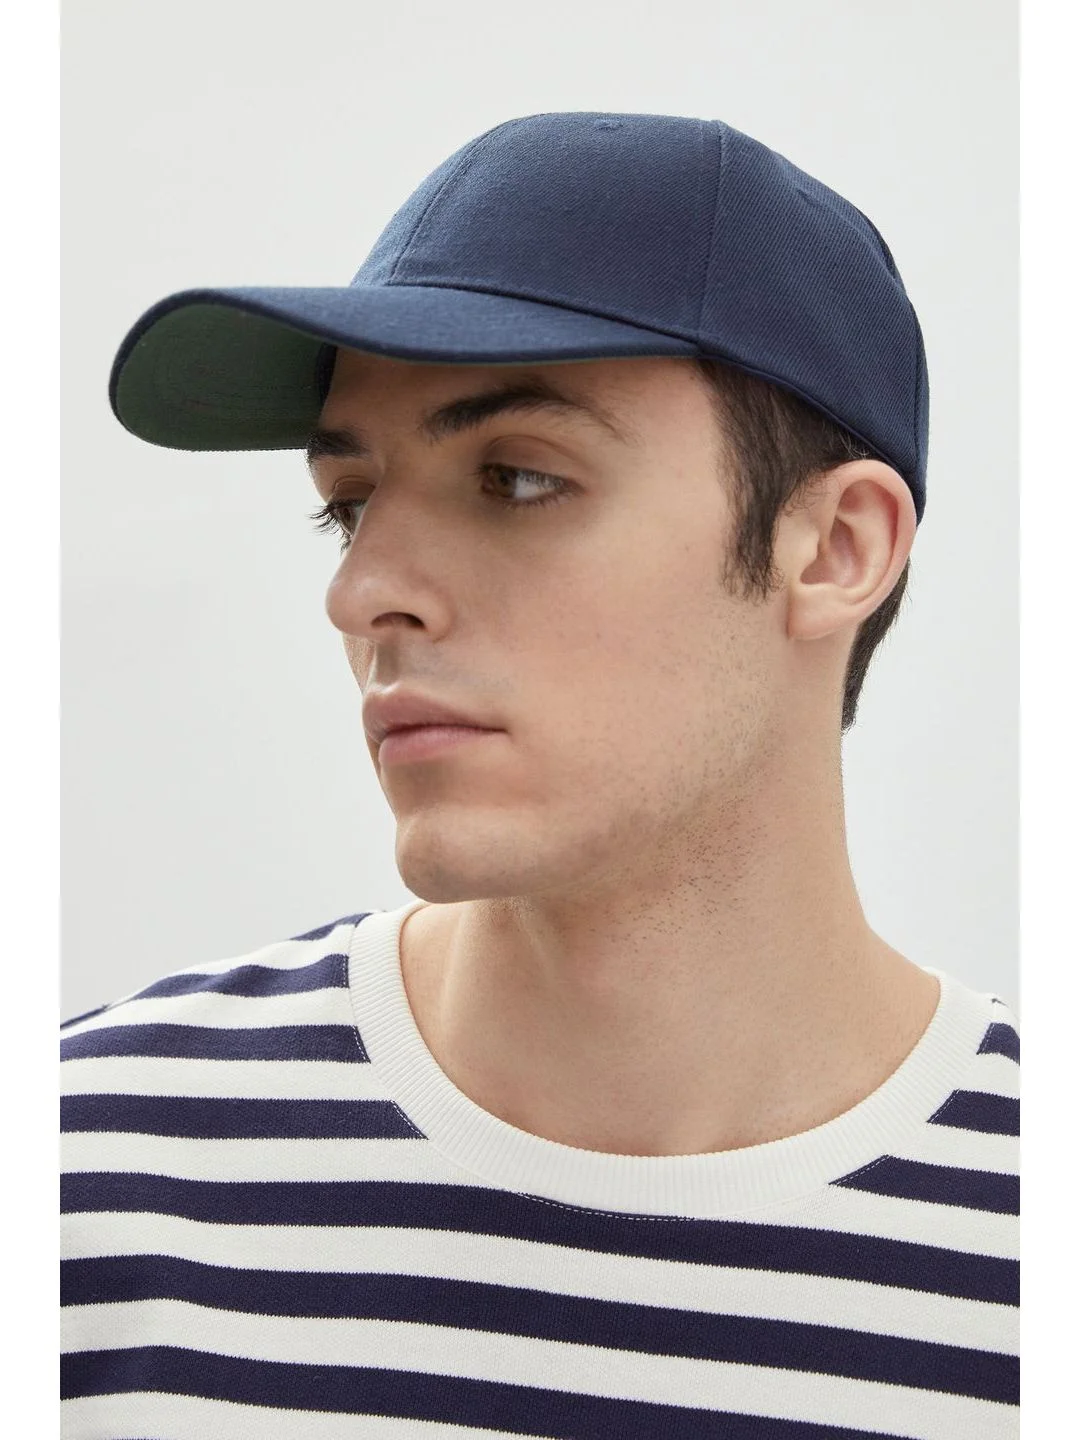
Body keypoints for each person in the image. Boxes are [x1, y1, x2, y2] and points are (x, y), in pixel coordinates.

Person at [61, 111, 1019, 1438]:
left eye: (514, 479)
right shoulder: (89, 1182)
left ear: (837, 547)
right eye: (350, 502)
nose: (363, 592)